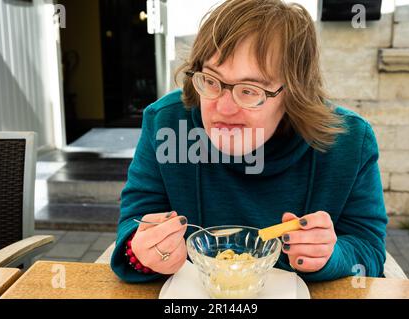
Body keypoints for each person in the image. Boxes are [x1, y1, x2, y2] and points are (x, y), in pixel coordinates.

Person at [111, 0, 388, 283]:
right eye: (211, 81)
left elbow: (369, 252)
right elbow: (134, 228)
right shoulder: (166, 124)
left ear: (294, 92)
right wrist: (143, 254)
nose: (224, 108)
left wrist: (332, 256)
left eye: (249, 90)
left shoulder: (349, 142)